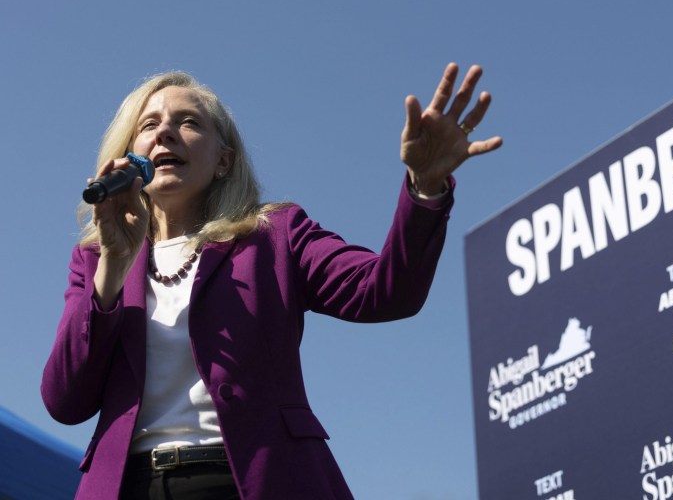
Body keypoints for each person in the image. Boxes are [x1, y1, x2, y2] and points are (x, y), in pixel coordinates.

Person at [41, 64, 502, 499]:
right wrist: (113, 269)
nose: (164, 132)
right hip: (128, 486)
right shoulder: (94, 259)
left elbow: (385, 292)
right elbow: (64, 400)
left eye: (188, 122)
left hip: (258, 480)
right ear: (127, 158)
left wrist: (425, 187)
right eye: (149, 124)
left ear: (223, 161)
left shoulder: (274, 234)